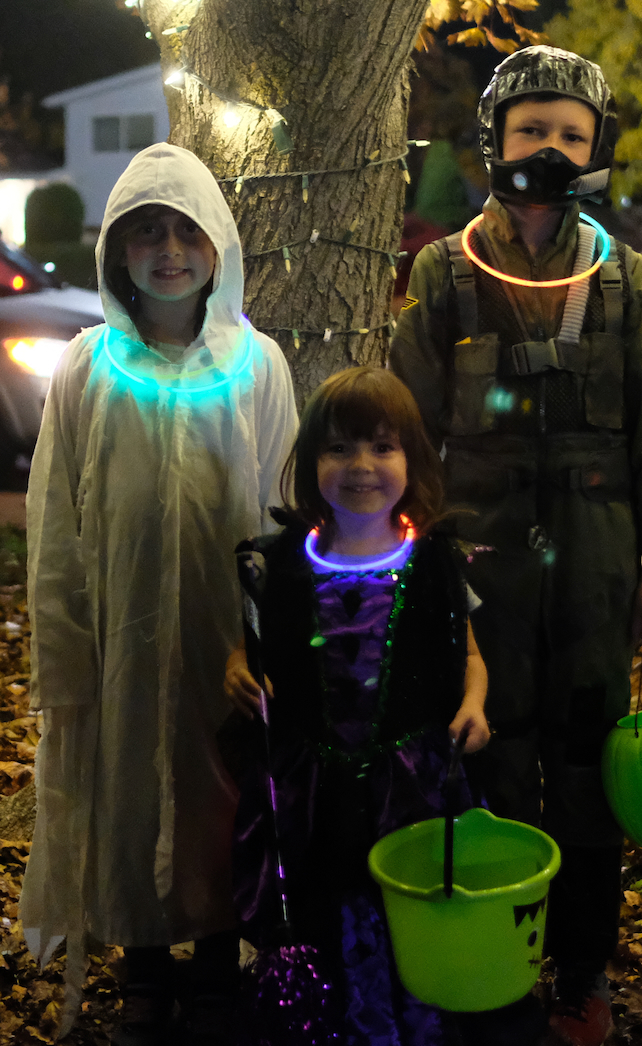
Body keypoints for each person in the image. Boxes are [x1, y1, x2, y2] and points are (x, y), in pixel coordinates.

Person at [389, 45, 642, 1046]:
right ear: (494, 140)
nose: (550, 149)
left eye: (570, 133)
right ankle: (492, 961)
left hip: (598, 550)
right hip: (478, 552)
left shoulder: (620, 272)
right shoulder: (442, 272)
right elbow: (401, 425)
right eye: (532, 130)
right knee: (485, 751)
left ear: (594, 147)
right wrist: (406, 558)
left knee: (584, 759)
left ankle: (580, 967)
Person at [22, 143, 299, 1045]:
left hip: (226, 639)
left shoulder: (257, 366)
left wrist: (271, 645)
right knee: (129, 790)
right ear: (117, 253)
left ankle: (217, 961)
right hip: (122, 638)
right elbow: (57, 525)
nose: (169, 251)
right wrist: (65, 652)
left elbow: (286, 507)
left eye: (186, 231)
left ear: (217, 246)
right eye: (147, 233)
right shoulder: (87, 371)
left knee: (222, 794)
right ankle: (143, 964)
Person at [223, 366, 490, 1045]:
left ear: (413, 459)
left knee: (399, 904)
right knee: (321, 903)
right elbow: (247, 646)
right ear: (311, 459)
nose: (361, 466)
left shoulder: (433, 564)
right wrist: (236, 670)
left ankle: (409, 1023)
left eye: (382, 446)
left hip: (409, 784)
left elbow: (470, 655)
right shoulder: (277, 563)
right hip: (310, 784)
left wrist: (475, 705)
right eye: (339, 448)